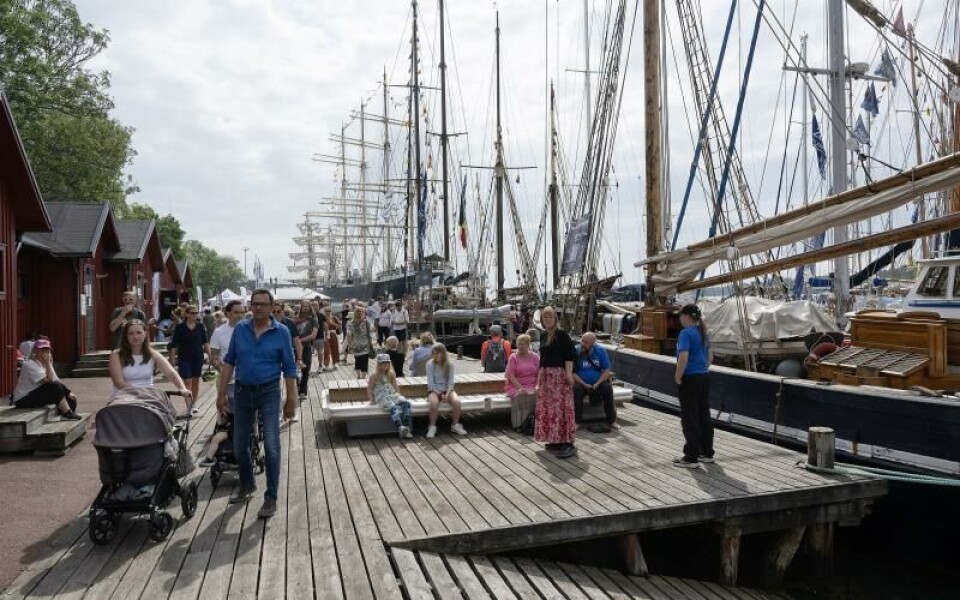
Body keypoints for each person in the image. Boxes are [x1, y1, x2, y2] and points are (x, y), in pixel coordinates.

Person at [218, 288, 297, 519]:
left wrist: (290, 399)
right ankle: (247, 483)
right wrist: (221, 394)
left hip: (269, 391)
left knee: (272, 445)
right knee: (239, 444)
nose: (258, 308)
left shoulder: (281, 332)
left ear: (272, 307)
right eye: (255, 304)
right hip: (242, 391)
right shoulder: (241, 329)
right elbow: (229, 361)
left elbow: (290, 368)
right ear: (249, 306)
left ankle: (270, 497)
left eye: (263, 304)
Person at [673, 304, 715, 468]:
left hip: (690, 378)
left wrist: (677, 376)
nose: (679, 319)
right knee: (704, 414)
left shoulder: (686, 333)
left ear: (685, 316)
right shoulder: (703, 332)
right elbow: (710, 357)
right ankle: (707, 452)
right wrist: (701, 368)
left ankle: (691, 456)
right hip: (704, 376)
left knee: (689, 416)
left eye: (680, 316)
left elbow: (683, 357)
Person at [109, 319, 191, 399]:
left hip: (148, 398)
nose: (135, 336)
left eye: (139, 332)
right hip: (123, 398)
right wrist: (141, 394)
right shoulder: (116, 355)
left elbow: (172, 374)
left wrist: (182, 389)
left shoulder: (153, 354)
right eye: (131, 333)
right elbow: (119, 383)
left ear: (145, 334)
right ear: (126, 336)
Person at [535, 306, 577, 458]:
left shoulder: (562, 335)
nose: (547, 320)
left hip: (559, 376)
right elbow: (542, 358)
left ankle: (567, 441)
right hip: (546, 376)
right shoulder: (543, 335)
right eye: (545, 317)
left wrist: (568, 374)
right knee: (550, 410)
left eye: (550, 317)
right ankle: (555, 439)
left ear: (555, 319)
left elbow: (570, 355)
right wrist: (539, 378)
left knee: (562, 408)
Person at [12, 339, 81, 420]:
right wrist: (48, 363)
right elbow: (51, 382)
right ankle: (67, 413)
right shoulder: (29, 364)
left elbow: (56, 380)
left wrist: (68, 392)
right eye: (41, 350)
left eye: (46, 351)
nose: (44, 353)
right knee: (55, 387)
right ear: (35, 351)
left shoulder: (42, 364)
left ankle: (66, 415)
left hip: (35, 394)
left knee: (70, 397)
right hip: (23, 399)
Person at [572, 332, 619, 430]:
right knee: (577, 390)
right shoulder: (576, 351)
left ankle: (612, 420)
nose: (582, 344)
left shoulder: (600, 351)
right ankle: (577, 422)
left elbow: (606, 371)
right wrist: (584, 384)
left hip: (597, 383)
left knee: (607, 388)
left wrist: (598, 383)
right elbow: (572, 372)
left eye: (586, 342)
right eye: (582, 341)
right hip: (581, 383)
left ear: (593, 344)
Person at [168, 304, 208, 415]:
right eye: (192, 313)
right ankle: (189, 405)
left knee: (196, 381)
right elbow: (174, 344)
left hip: (198, 357)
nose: (195, 315)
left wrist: (210, 355)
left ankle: (194, 404)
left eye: (196, 313)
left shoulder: (200, 326)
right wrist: (172, 358)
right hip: (184, 357)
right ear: (186, 314)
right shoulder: (180, 327)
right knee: (187, 381)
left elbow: (205, 342)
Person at [425, 344, 467, 438]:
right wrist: (439, 393)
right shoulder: (429, 364)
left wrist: (447, 394)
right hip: (434, 390)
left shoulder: (450, 364)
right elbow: (430, 383)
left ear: (443, 353)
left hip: (447, 389)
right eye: (434, 353)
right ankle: (432, 426)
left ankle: (455, 425)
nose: (435, 356)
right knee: (433, 403)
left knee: (457, 402)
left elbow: (451, 382)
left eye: (438, 353)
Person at [368, 353, 413, 438]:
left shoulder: (391, 374)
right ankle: (400, 427)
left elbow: (395, 385)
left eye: (387, 363)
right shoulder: (374, 375)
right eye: (382, 363)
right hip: (382, 397)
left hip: (392, 394)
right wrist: (372, 399)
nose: (385, 365)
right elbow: (370, 388)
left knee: (405, 402)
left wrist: (399, 395)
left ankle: (406, 427)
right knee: (392, 406)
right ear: (378, 364)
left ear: (389, 364)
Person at [272, 301, 303, 421]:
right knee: (277, 387)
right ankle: (279, 412)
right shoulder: (267, 324)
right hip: (273, 360)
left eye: (278, 311)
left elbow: (297, 342)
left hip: (288, 357)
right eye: (273, 311)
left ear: (283, 311)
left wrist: (299, 358)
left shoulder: (289, 323)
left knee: (292, 386)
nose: (276, 314)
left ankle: (293, 411)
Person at [505, 334, 539, 430]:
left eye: (523, 344)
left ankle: (536, 422)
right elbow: (510, 375)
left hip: (532, 384)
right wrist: (520, 388)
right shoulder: (513, 357)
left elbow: (540, 373)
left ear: (528, 345)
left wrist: (537, 385)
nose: (520, 346)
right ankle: (519, 424)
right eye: (518, 344)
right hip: (516, 385)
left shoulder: (535, 357)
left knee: (538, 395)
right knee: (520, 396)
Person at [296, 301, 320, 400]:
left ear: (310, 308)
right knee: (293, 370)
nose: (305, 308)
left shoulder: (314, 319)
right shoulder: (296, 318)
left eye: (307, 306)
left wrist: (300, 340)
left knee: (306, 370)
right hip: (294, 347)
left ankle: (302, 391)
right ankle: (298, 385)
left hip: (306, 346)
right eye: (303, 306)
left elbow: (313, 335)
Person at [345, 305, 376, 378]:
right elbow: (372, 331)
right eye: (364, 313)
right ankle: (362, 378)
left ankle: (359, 376)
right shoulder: (366, 323)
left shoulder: (350, 323)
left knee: (358, 361)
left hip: (356, 346)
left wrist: (350, 346)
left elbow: (349, 335)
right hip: (365, 346)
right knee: (364, 362)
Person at [322, 306, 341, 371]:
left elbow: (339, 326)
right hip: (325, 334)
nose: (328, 312)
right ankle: (326, 364)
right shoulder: (322, 318)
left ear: (331, 311)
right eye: (326, 311)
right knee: (326, 350)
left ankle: (335, 363)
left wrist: (332, 323)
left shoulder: (334, 318)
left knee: (335, 348)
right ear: (324, 312)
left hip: (333, 333)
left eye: (329, 311)